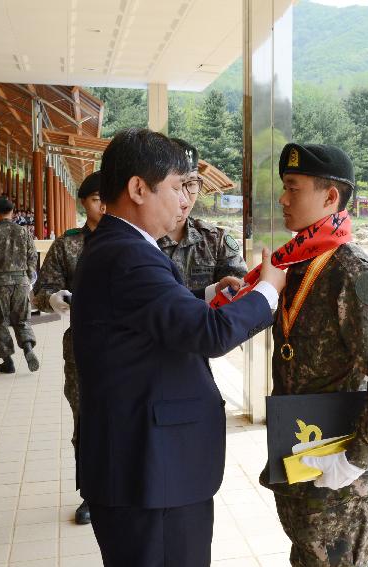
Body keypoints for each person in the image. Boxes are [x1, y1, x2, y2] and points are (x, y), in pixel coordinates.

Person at [71, 129, 283, 567]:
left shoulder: (119, 245)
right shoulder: (129, 254)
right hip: (151, 470)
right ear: (137, 188)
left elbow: (146, 316)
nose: (186, 200)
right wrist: (268, 292)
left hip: (143, 463)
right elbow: (211, 335)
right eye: (177, 186)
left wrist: (204, 296)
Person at [261, 142, 368, 566]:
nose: (283, 198)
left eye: (293, 187)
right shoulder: (296, 266)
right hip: (296, 456)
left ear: (330, 197)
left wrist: (355, 458)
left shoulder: (354, 274)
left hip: (338, 479)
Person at [33, 172, 104, 525]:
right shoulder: (69, 244)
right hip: (84, 346)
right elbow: (42, 288)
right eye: (96, 200)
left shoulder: (137, 238)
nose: (103, 207)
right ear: (83, 202)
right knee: (85, 418)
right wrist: (53, 298)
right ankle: (90, 493)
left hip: (130, 345)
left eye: (109, 199)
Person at [157, 139, 248, 289]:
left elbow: (239, 292)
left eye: (191, 184)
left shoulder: (216, 240)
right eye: (177, 186)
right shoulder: (143, 240)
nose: (185, 197)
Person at [0, 197, 39, 374]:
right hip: (21, 282)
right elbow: (32, 256)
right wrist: (29, 276)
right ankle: (27, 347)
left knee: (0, 322)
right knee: (22, 320)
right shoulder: (23, 231)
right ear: (12, 212)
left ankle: (8, 361)